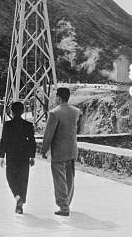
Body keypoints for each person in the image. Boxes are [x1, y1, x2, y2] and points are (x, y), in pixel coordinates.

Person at [41, 87, 81, 216]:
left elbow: (48, 134)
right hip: (72, 150)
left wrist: (44, 149)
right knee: (70, 179)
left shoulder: (54, 113)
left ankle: (63, 207)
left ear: (58, 97)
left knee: (60, 180)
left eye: (56, 97)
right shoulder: (76, 111)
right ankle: (67, 203)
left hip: (59, 152)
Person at [0, 101, 36, 214]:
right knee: (23, 178)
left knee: (10, 177)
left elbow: (3, 141)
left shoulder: (7, 125)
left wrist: (2, 156)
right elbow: (32, 141)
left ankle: (17, 197)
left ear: (12, 111)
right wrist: (32, 156)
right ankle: (21, 200)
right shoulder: (28, 125)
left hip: (11, 155)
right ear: (23, 111)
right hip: (24, 155)